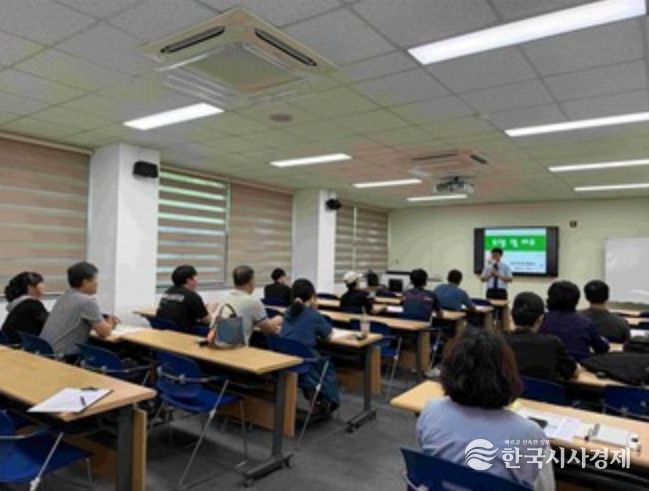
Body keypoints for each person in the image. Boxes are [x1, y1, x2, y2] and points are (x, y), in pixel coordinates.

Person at [417, 329, 554, 491]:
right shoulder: (530, 434)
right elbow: (546, 488)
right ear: (507, 375)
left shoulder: (431, 411)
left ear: (449, 370)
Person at [280, 278, 339, 413]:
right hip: (306, 363)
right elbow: (328, 335)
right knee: (327, 366)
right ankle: (325, 401)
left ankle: (316, 400)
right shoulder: (314, 315)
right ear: (312, 296)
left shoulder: (288, 312)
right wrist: (315, 311)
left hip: (286, 360)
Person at [40, 262, 117, 358]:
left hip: (44, 352)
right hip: (61, 357)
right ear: (85, 282)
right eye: (95, 279)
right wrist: (111, 323)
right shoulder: (87, 301)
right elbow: (104, 333)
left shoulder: (65, 296)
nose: (97, 283)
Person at [506, 292, 577, 381]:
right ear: (540, 319)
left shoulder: (498, 342)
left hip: (509, 390)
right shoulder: (552, 343)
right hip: (544, 390)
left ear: (511, 315)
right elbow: (572, 371)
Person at [207, 266, 282, 345]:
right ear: (251, 282)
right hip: (235, 348)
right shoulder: (253, 302)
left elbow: (213, 324)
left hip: (216, 345)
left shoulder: (224, 298)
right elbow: (268, 329)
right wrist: (279, 319)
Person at [539, 281, 609, 362]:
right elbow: (601, 349)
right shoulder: (585, 323)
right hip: (579, 367)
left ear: (549, 299)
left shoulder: (539, 321)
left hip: (545, 366)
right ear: (577, 301)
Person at [156, 265, 213, 332]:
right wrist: (211, 313)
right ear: (189, 280)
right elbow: (207, 321)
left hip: (164, 330)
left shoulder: (167, 292)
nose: (197, 281)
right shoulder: (192, 296)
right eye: (195, 278)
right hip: (183, 331)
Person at [2, 272, 48, 344]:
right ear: (30, 287)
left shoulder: (18, 307)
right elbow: (50, 325)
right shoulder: (32, 305)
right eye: (40, 282)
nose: (44, 285)